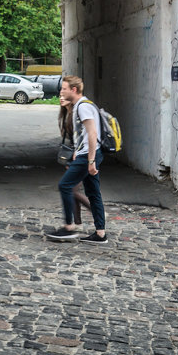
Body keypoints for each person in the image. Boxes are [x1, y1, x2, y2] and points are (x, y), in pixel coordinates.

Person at [46, 75, 107, 244]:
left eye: (64, 88)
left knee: (65, 185)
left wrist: (90, 160)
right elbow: (82, 135)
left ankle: (69, 228)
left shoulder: (83, 107)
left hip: (88, 155)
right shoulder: (80, 106)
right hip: (85, 154)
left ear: (73, 90)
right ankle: (100, 234)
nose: (61, 91)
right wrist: (77, 152)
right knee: (93, 193)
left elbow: (93, 133)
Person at [57, 100, 91, 226]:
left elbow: (83, 136)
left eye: (64, 96)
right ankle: (77, 223)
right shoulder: (66, 114)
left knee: (70, 189)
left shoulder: (76, 114)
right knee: (72, 189)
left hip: (80, 157)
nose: (61, 98)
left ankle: (96, 211)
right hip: (73, 157)